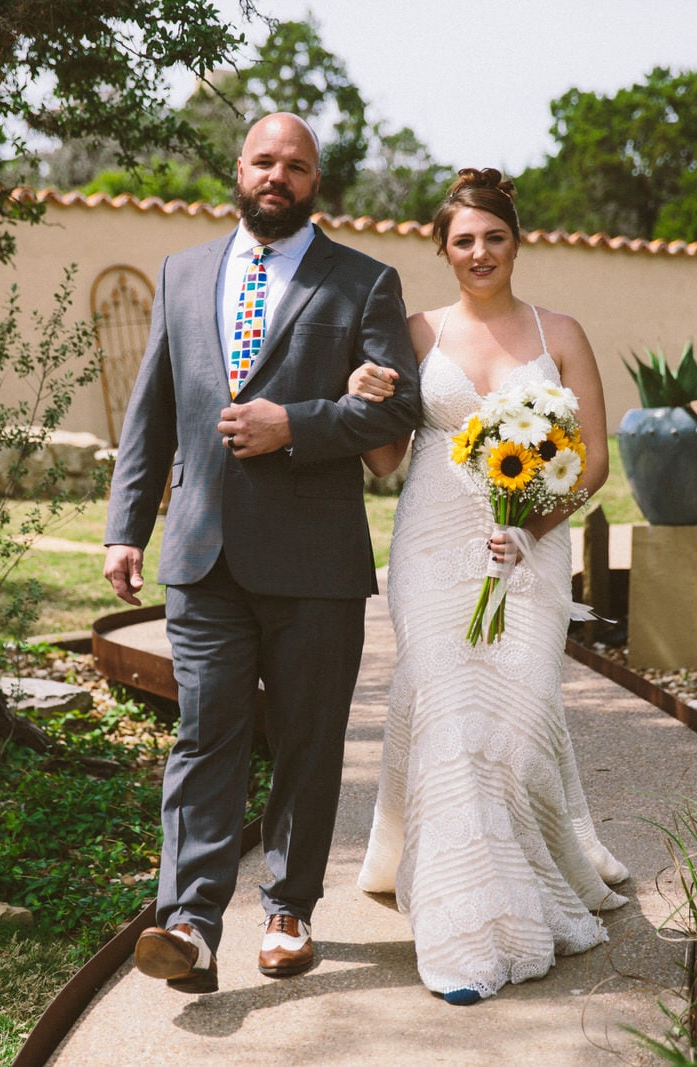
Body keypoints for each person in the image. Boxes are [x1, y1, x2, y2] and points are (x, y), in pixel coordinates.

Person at [103, 112, 421, 995]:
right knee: (205, 736)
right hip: (202, 554)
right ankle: (191, 926)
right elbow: (151, 414)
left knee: (309, 741)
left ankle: (289, 908)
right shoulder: (181, 272)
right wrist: (126, 527)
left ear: (318, 182)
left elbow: (398, 411)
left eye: (297, 165)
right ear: (239, 169)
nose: (277, 175)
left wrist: (299, 423)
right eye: (264, 160)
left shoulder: (365, 282)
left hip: (315, 562)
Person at [346, 168, 629, 1005]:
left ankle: (526, 873)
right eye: (462, 240)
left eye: (493, 237)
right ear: (442, 249)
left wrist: (533, 527)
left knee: (516, 716)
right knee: (444, 705)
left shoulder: (562, 332)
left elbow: (597, 459)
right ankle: (464, 926)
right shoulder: (415, 330)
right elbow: (387, 458)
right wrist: (359, 399)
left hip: (532, 550)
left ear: (517, 241)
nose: (479, 252)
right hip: (433, 544)